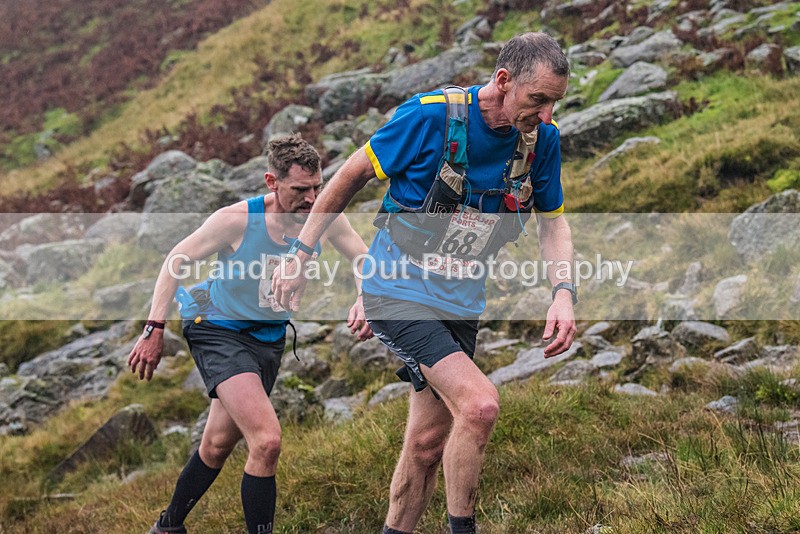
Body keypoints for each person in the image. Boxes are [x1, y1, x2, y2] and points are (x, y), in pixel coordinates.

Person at [272, 33, 577, 534]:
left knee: (426, 444)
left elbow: (553, 223)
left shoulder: (542, 140)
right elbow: (351, 174)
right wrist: (300, 253)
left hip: (460, 300)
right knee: (480, 406)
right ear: (503, 80)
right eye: (537, 99)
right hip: (395, 289)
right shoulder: (430, 116)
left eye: (554, 103)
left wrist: (563, 293)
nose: (546, 115)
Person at [127, 134, 372, 534]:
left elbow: (362, 257)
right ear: (271, 182)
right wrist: (154, 327)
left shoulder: (324, 216)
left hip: (268, 338)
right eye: (300, 190)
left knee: (216, 446)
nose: (311, 199)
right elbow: (175, 261)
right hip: (218, 329)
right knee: (266, 440)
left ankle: (167, 527)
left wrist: (364, 297)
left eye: (317, 187)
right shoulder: (236, 220)